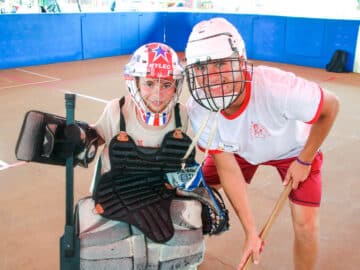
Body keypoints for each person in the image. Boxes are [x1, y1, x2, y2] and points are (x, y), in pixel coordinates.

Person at [183, 17, 340, 270]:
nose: (210, 77)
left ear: (240, 60)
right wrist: (251, 232)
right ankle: (183, 257)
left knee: (307, 226)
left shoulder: (278, 88)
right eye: (200, 67)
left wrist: (305, 160)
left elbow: (331, 107)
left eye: (220, 64)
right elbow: (227, 168)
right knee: (192, 199)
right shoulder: (199, 106)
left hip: (294, 149)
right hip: (238, 150)